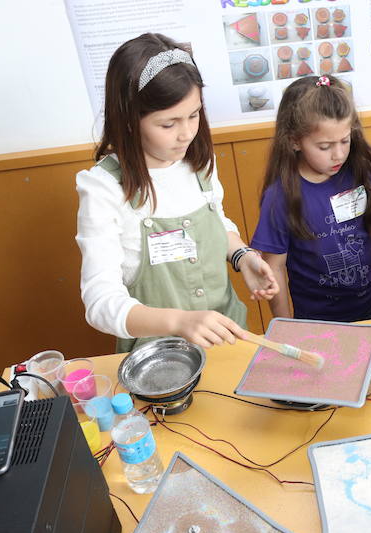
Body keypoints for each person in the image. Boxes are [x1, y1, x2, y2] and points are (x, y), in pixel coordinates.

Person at [76, 33, 278, 352]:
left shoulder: (198, 161)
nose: (186, 134)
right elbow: (100, 302)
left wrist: (242, 256)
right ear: (128, 120)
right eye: (168, 124)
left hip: (228, 338)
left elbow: (216, 222)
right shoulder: (103, 188)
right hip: (158, 356)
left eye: (194, 115)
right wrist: (179, 322)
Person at [250, 75, 371, 322]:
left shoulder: (359, 173)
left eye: (345, 141)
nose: (338, 154)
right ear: (295, 141)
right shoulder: (280, 196)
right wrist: (285, 325)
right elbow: (274, 267)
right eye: (325, 146)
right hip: (315, 320)